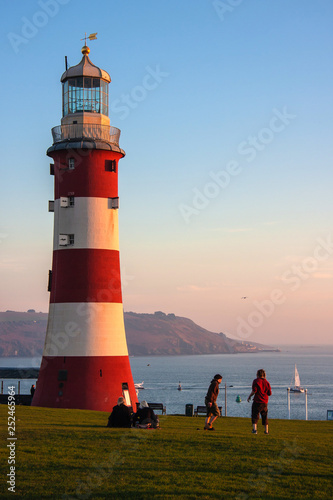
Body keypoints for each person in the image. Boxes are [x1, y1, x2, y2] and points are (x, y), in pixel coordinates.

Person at [247, 369, 272, 435]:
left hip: (257, 401)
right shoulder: (267, 382)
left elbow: (254, 391)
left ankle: (255, 430)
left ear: (257, 374)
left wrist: (249, 396)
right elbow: (269, 393)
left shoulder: (256, 381)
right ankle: (266, 431)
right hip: (265, 402)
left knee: (255, 415)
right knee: (264, 416)